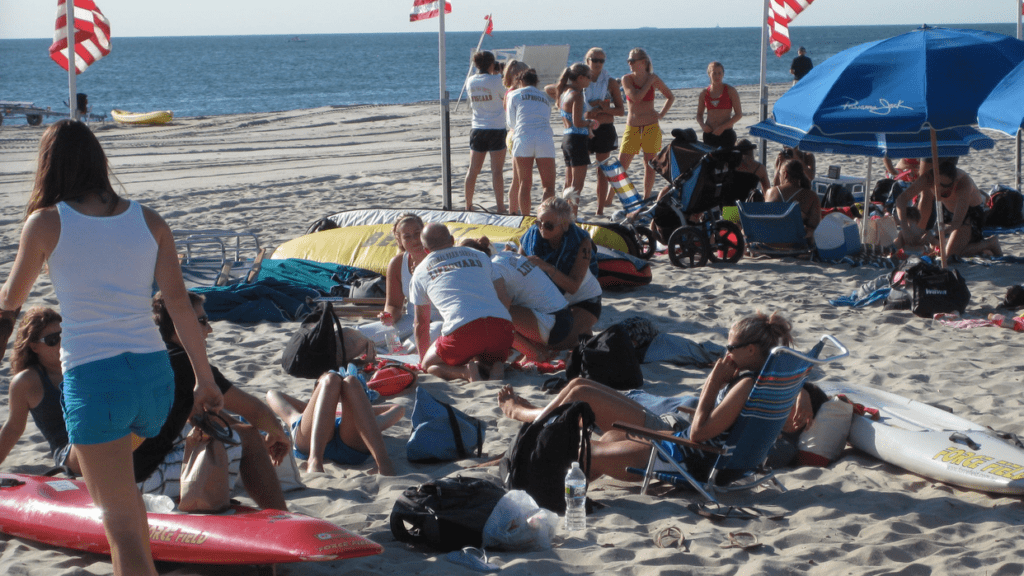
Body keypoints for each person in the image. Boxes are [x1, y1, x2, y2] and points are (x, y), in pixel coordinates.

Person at [0, 119, 222, 576]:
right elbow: (178, 305)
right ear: (99, 162)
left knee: (118, 525)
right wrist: (204, 379)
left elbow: (10, 301)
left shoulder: (46, 222)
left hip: (96, 379)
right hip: (154, 381)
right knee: (123, 505)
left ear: (48, 166)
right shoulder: (149, 219)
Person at [569, 312, 806, 482]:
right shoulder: (763, 382)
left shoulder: (745, 385)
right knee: (611, 436)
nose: (726, 353)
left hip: (687, 458)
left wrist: (713, 383)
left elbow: (698, 433)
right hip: (706, 455)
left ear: (751, 350)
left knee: (579, 452)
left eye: (730, 347)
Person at [134, 292, 288, 511]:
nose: (209, 329)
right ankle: (281, 517)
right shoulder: (185, 364)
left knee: (233, 431)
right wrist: (278, 434)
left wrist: (241, 428)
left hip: (114, 472)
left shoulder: (151, 355)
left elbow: (202, 414)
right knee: (250, 439)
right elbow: (255, 411)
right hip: (144, 480)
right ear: (182, 325)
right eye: (202, 321)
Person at [410, 223, 515, 382]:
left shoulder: (420, 270)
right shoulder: (479, 255)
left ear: (426, 250)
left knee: (430, 365)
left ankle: (465, 373)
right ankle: (494, 366)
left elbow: (421, 323)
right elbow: (504, 297)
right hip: (501, 327)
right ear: (452, 240)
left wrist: (423, 359)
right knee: (482, 351)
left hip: (463, 331)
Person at [461, 237, 575, 361]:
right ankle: (539, 351)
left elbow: (502, 306)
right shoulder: (505, 255)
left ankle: (534, 355)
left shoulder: (492, 270)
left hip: (553, 324)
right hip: (563, 316)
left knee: (492, 316)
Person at [266, 373, 403, 476]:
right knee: (332, 379)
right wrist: (310, 407)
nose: (336, 390)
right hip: (345, 449)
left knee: (350, 381)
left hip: (329, 444)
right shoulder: (366, 423)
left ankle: (315, 460)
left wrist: (360, 408)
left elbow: (399, 408)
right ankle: (383, 463)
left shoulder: (363, 421)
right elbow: (272, 394)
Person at [0, 308, 80, 474]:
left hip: (106, 438)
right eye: (52, 340)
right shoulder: (27, 381)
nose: (61, 342)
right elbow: (13, 428)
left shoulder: (82, 366)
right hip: (71, 453)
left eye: (64, 334)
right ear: (35, 347)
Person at [519, 197, 602, 337]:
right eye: (539, 222)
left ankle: (581, 333)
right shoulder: (531, 235)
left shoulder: (581, 242)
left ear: (564, 225)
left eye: (549, 225)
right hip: (549, 300)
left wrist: (547, 267)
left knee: (560, 339)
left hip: (583, 300)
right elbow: (518, 269)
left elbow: (573, 286)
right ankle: (582, 335)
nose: (541, 228)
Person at [362, 213, 442, 347]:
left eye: (417, 233)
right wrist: (388, 316)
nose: (415, 240)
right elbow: (393, 305)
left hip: (441, 320)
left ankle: (400, 353)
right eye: (407, 237)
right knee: (361, 334)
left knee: (424, 337)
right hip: (412, 319)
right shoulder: (397, 263)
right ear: (400, 241)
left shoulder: (439, 256)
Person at [893, 159, 1002, 258]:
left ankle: (990, 243)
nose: (939, 189)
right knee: (916, 237)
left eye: (945, 187)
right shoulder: (929, 178)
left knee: (951, 255)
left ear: (954, 182)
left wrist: (932, 233)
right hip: (946, 210)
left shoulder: (963, 184)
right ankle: (976, 248)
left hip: (970, 214)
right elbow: (901, 200)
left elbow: (956, 222)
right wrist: (904, 227)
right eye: (937, 184)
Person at [619, 48, 675, 199]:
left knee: (649, 166)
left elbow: (670, 96)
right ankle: (609, 199)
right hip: (633, 127)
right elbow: (636, 98)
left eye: (632, 60)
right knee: (621, 166)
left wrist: (661, 114)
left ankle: (646, 197)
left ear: (643, 62)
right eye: (628, 61)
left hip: (651, 126)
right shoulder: (627, 79)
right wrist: (649, 82)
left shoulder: (653, 78)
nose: (629, 63)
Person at [506, 68, 556, 216]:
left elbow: (511, 122)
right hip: (544, 137)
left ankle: (526, 218)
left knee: (525, 183)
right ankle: (545, 219)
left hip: (524, 136)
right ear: (536, 83)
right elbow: (546, 117)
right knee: (548, 186)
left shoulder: (514, 94)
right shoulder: (544, 98)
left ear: (520, 81)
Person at [582, 48, 625, 216]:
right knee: (578, 170)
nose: (598, 64)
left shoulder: (610, 82)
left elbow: (621, 111)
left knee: (602, 171)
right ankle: (572, 209)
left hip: (604, 128)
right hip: (584, 128)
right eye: (594, 60)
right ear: (587, 61)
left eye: (601, 61)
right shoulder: (580, 80)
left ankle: (599, 210)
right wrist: (589, 113)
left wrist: (603, 109)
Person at [553, 63, 598, 217]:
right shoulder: (577, 95)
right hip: (577, 138)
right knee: (577, 185)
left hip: (567, 138)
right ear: (580, 78)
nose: (591, 80)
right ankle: (572, 218)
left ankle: (563, 216)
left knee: (568, 183)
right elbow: (578, 122)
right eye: (589, 77)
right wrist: (590, 123)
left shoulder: (564, 91)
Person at [464, 51, 506, 213]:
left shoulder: (470, 81)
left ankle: (468, 204)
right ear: (491, 63)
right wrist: (499, 73)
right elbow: (504, 96)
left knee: (473, 170)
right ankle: (501, 207)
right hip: (496, 127)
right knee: (496, 171)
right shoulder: (497, 80)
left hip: (478, 127)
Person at [766, 159, 822, 240]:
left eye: (779, 174)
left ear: (785, 174)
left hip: (770, 243)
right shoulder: (811, 196)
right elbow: (814, 226)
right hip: (795, 246)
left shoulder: (770, 192)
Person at [502, 60, 531, 215]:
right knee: (518, 179)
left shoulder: (509, 92)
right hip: (516, 135)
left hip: (512, 135)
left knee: (518, 178)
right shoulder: (515, 93)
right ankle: (513, 211)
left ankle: (513, 209)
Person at [696, 61, 742, 149]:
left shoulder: (730, 91)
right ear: (709, 74)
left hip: (726, 133)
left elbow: (738, 114)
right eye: (714, 73)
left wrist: (722, 127)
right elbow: (699, 115)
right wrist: (703, 125)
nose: (717, 76)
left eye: (719, 73)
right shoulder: (704, 93)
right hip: (710, 133)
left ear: (723, 74)